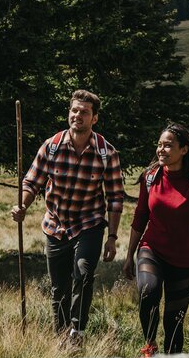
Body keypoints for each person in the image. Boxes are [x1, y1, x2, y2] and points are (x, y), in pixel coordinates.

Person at [12, 89, 124, 344]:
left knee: (83, 274)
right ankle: (60, 337)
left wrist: (112, 237)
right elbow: (31, 182)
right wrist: (22, 205)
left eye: (84, 112)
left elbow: (116, 197)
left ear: (94, 118)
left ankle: (77, 331)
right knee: (58, 287)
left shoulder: (107, 153)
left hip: (89, 223)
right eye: (74, 110)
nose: (78, 116)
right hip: (55, 224)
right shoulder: (51, 147)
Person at [123, 123, 189, 357]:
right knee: (149, 290)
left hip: (184, 259)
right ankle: (149, 345)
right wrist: (129, 256)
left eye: (168, 145)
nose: (161, 150)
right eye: (159, 145)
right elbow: (140, 218)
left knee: (174, 322)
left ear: (184, 150)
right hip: (152, 248)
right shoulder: (150, 177)